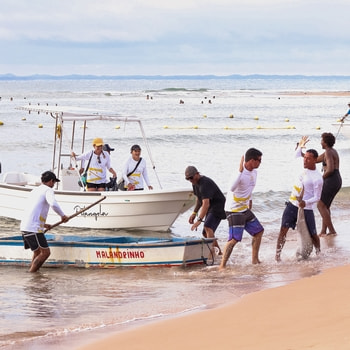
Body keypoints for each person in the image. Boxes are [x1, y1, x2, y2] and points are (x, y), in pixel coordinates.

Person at [275, 142, 323, 262]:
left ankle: (319, 254)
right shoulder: (302, 166)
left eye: (308, 159)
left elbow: (317, 197)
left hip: (306, 209)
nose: (305, 160)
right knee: (283, 229)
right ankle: (277, 256)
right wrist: (301, 146)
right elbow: (296, 155)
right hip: (292, 204)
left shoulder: (317, 178)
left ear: (315, 160)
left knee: (313, 234)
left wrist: (305, 202)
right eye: (304, 158)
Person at [219, 148, 264, 269]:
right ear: (251, 160)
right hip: (234, 209)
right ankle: (222, 266)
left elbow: (249, 188)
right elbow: (231, 188)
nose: (260, 162)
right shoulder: (238, 172)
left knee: (258, 231)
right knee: (234, 239)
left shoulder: (254, 172)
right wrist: (239, 172)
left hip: (244, 208)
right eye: (259, 160)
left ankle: (255, 260)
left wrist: (250, 201)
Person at [20, 171, 69, 272]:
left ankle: (33, 277)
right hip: (33, 228)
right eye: (54, 182)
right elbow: (53, 204)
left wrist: (44, 225)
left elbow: (33, 210)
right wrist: (63, 216)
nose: (54, 185)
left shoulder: (35, 190)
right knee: (45, 253)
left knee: (37, 253)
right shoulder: (48, 190)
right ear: (51, 181)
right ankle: (31, 273)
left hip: (25, 226)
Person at [185, 166, 226, 256]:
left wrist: (199, 220)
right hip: (210, 206)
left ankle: (211, 254)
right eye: (188, 179)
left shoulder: (205, 183)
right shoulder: (195, 183)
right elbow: (199, 200)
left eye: (191, 177)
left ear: (197, 174)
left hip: (218, 205)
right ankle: (219, 253)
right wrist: (194, 213)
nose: (190, 180)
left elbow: (205, 204)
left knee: (208, 227)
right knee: (205, 233)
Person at [316, 133, 342, 236]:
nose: (320, 142)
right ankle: (323, 231)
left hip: (331, 179)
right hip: (336, 179)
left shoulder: (328, 152)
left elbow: (330, 169)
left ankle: (332, 231)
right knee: (325, 206)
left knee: (320, 205)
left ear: (325, 143)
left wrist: (321, 179)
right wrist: (300, 152)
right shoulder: (331, 151)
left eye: (321, 140)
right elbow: (314, 160)